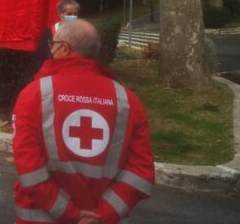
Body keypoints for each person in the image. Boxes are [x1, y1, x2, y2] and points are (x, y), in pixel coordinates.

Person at [12, 20, 155, 224]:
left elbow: (29, 169)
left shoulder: (34, 95)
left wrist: (69, 214)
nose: (50, 48)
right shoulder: (128, 101)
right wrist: (103, 215)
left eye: (53, 43)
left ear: (64, 49)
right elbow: (140, 172)